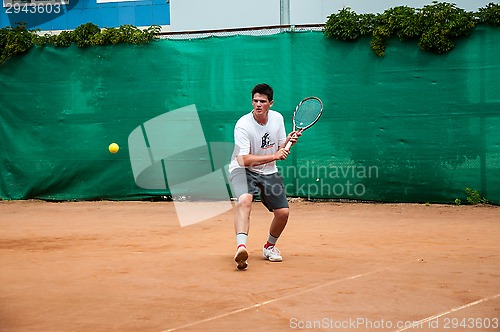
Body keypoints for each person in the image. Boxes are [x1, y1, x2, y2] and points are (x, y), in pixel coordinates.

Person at [228, 83, 302, 270]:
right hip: (242, 169)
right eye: (255, 101)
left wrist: (288, 142)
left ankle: (269, 247)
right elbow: (243, 159)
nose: (258, 104)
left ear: (271, 103)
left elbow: (279, 148)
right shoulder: (243, 125)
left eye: (262, 101)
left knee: (283, 213)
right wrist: (275, 156)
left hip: (268, 171)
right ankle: (241, 248)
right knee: (245, 200)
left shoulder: (277, 118)